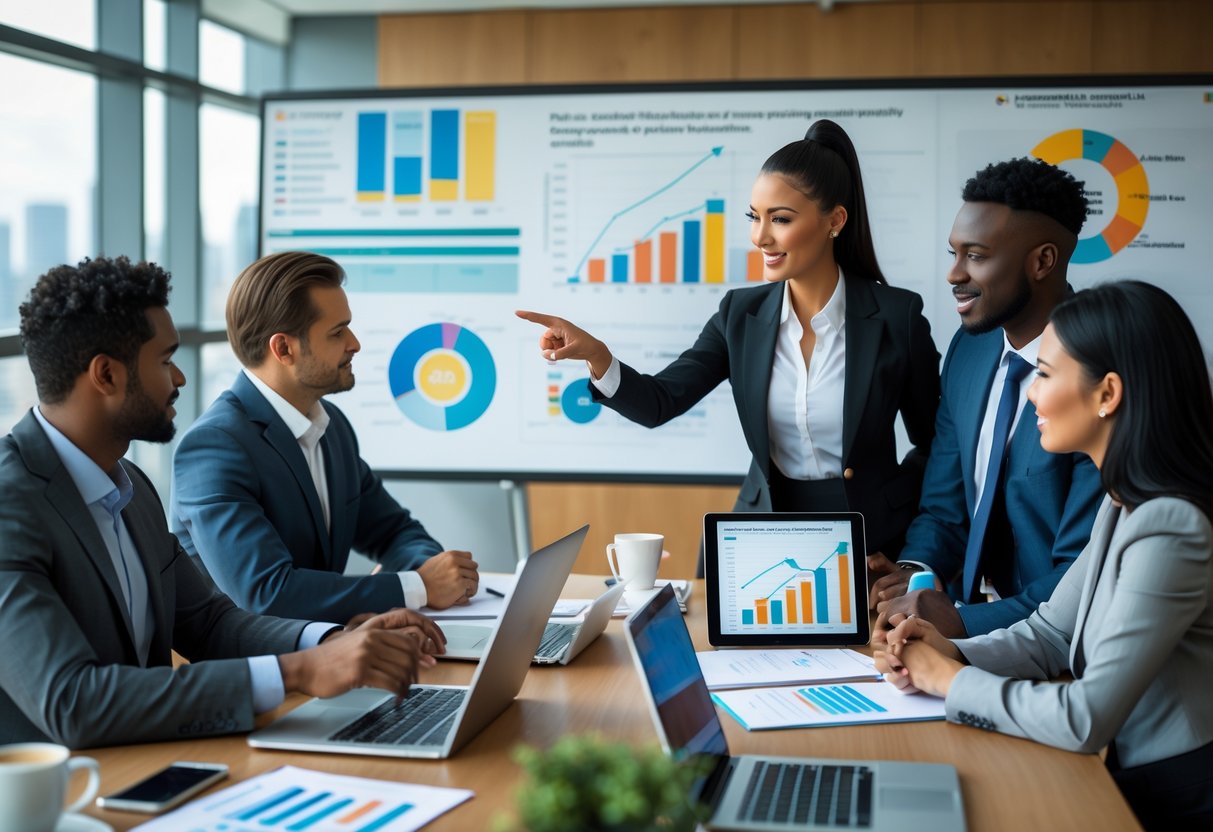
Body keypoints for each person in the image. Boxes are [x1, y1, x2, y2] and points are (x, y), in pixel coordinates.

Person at [0, 256, 446, 749]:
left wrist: (331, 643)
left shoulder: (130, 487)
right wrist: (300, 670)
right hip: (63, 787)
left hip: (153, 761)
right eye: (165, 360)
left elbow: (210, 624)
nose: (180, 379)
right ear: (106, 375)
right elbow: (72, 702)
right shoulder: (9, 506)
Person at [518, 120, 940, 565]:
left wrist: (903, 525)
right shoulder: (739, 315)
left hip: (872, 546)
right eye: (754, 217)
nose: (760, 237)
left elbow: (939, 447)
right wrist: (598, 356)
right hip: (765, 539)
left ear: (834, 221)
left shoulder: (897, 317)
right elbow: (660, 402)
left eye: (780, 219)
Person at [876, 281, 1213, 830]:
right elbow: (1051, 633)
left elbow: (1085, 719)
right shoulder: (1124, 502)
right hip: (1120, 776)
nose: (1030, 393)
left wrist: (948, 680)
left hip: (1173, 796)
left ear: (1107, 394)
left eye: (1046, 375)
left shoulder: (1170, 526)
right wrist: (951, 649)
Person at [171, 252, 479, 622]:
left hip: (339, 645)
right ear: (283, 348)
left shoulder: (331, 426)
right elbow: (268, 593)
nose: (354, 343)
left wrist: (432, 574)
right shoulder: (215, 446)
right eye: (337, 332)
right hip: (267, 658)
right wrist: (417, 587)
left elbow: (396, 532)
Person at [869, 157, 1104, 638]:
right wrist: (915, 575)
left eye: (975, 256)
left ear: (1042, 262)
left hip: (1057, 640)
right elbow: (944, 506)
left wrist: (961, 624)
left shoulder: (1101, 373)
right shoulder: (970, 349)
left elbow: (1081, 574)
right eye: (953, 253)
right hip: (966, 621)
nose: (954, 274)